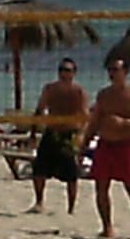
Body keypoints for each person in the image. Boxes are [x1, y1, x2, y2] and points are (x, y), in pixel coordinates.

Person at [79, 58, 130, 239]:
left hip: (126, 145)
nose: (112, 74)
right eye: (110, 70)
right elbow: (95, 121)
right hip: (105, 144)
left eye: (115, 70)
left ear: (125, 72)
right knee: (101, 187)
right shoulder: (104, 94)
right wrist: (84, 145)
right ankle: (107, 227)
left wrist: (125, 123)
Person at [29, 57, 89, 214]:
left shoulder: (79, 92)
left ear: (74, 73)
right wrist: (33, 133)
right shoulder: (50, 89)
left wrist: (81, 136)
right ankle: (39, 201)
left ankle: (71, 208)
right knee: (39, 170)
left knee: (71, 175)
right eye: (61, 70)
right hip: (52, 132)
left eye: (67, 70)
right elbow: (39, 110)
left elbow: (84, 116)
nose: (64, 73)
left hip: (69, 134)